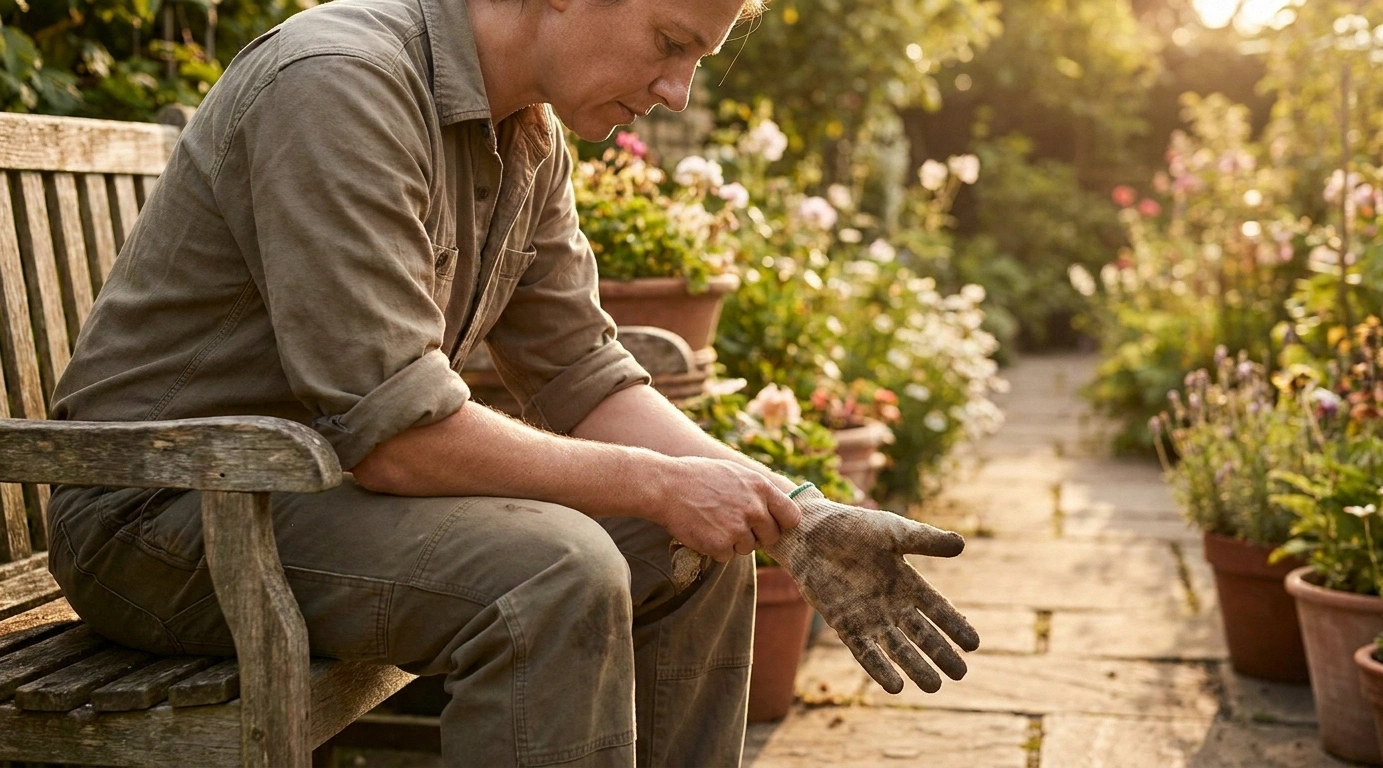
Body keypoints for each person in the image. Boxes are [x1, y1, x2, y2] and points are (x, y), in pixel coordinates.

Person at [45, 0, 979, 763]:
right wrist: (662, 484)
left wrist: (795, 513)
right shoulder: (339, 82)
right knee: (552, 574)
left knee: (700, 549)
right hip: (168, 517)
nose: (675, 89)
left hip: (309, 496)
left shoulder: (527, 136)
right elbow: (399, 438)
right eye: (670, 44)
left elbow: (584, 374)